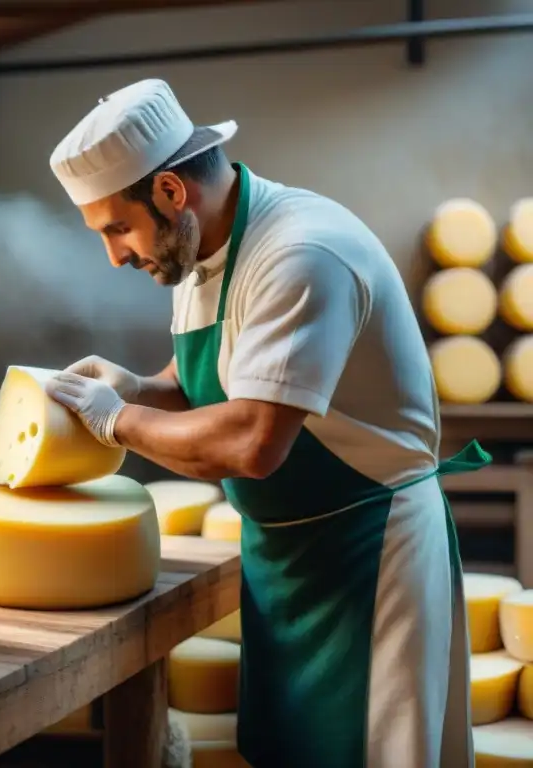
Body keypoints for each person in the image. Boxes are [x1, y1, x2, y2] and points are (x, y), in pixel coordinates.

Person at [44, 78, 487, 767]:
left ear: (169, 191)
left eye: (117, 228)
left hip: (367, 554)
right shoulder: (199, 255)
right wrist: (136, 386)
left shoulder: (301, 253)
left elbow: (252, 441)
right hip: (287, 559)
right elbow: (204, 383)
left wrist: (119, 421)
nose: (116, 255)